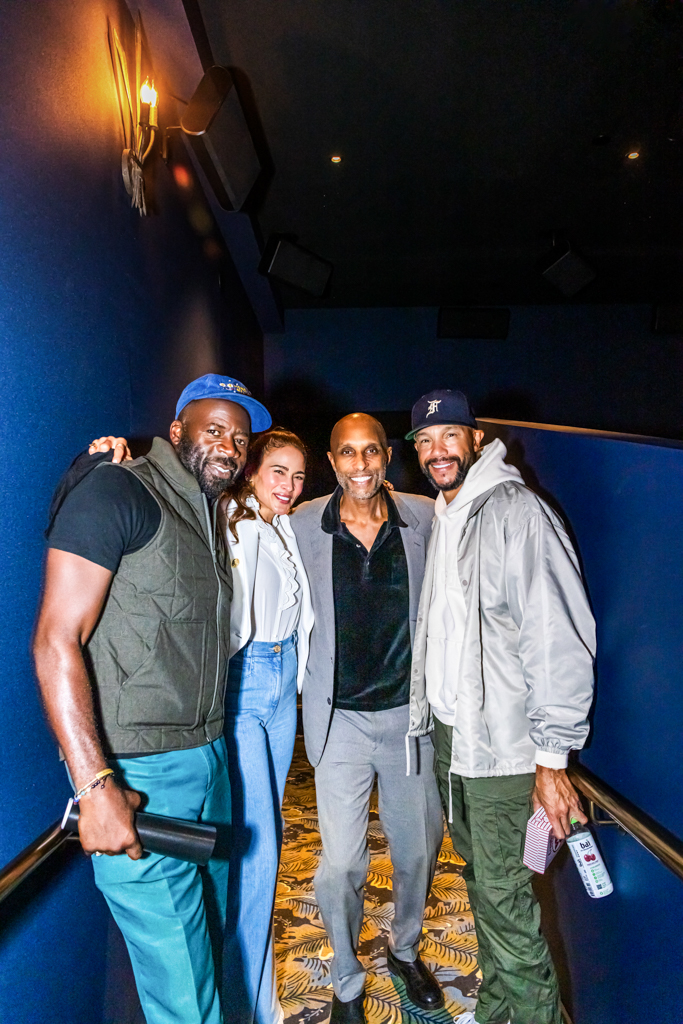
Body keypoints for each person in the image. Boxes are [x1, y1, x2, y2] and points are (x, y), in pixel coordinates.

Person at [33, 373, 271, 1024]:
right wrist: (95, 786)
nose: (229, 446)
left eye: (240, 439)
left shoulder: (208, 517)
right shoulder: (121, 488)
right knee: (185, 996)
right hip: (137, 775)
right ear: (176, 431)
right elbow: (54, 640)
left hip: (209, 758)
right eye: (213, 429)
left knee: (211, 946)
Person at [405, 389, 596, 1024]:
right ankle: (494, 1010)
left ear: (477, 439)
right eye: (425, 440)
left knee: (505, 903)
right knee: (484, 889)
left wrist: (552, 757)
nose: (437, 450)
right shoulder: (446, 513)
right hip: (454, 738)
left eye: (449, 436)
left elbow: (556, 636)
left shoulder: (517, 511)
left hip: (503, 749)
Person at [290, 413, 444, 1024]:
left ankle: (405, 950)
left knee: (418, 852)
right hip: (340, 723)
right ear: (332, 462)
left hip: (409, 718)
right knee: (343, 864)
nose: (361, 465)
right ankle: (348, 979)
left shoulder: (425, 517)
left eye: (371, 451)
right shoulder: (301, 523)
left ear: (387, 456)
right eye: (348, 453)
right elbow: (236, 520)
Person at [220, 429, 314, 1024]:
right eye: (278, 471)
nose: (290, 485)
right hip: (245, 681)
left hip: (282, 686)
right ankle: (250, 1009)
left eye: (299, 475)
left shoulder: (284, 526)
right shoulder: (232, 520)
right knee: (258, 848)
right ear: (252, 470)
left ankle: (254, 995)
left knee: (267, 833)